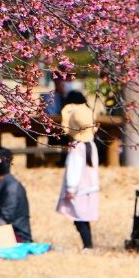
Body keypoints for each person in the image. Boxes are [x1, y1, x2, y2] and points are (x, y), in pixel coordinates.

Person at [55, 91, 99, 250]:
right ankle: (88, 245)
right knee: (83, 218)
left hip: (78, 189)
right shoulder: (91, 145)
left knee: (79, 219)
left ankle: (88, 246)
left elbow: (73, 169)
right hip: (90, 188)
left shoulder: (76, 148)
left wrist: (70, 188)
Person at [0, 147, 32, 242]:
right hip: (4, 232)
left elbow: (4, 218)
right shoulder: (0, 184)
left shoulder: (11, 188)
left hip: (18, 237)